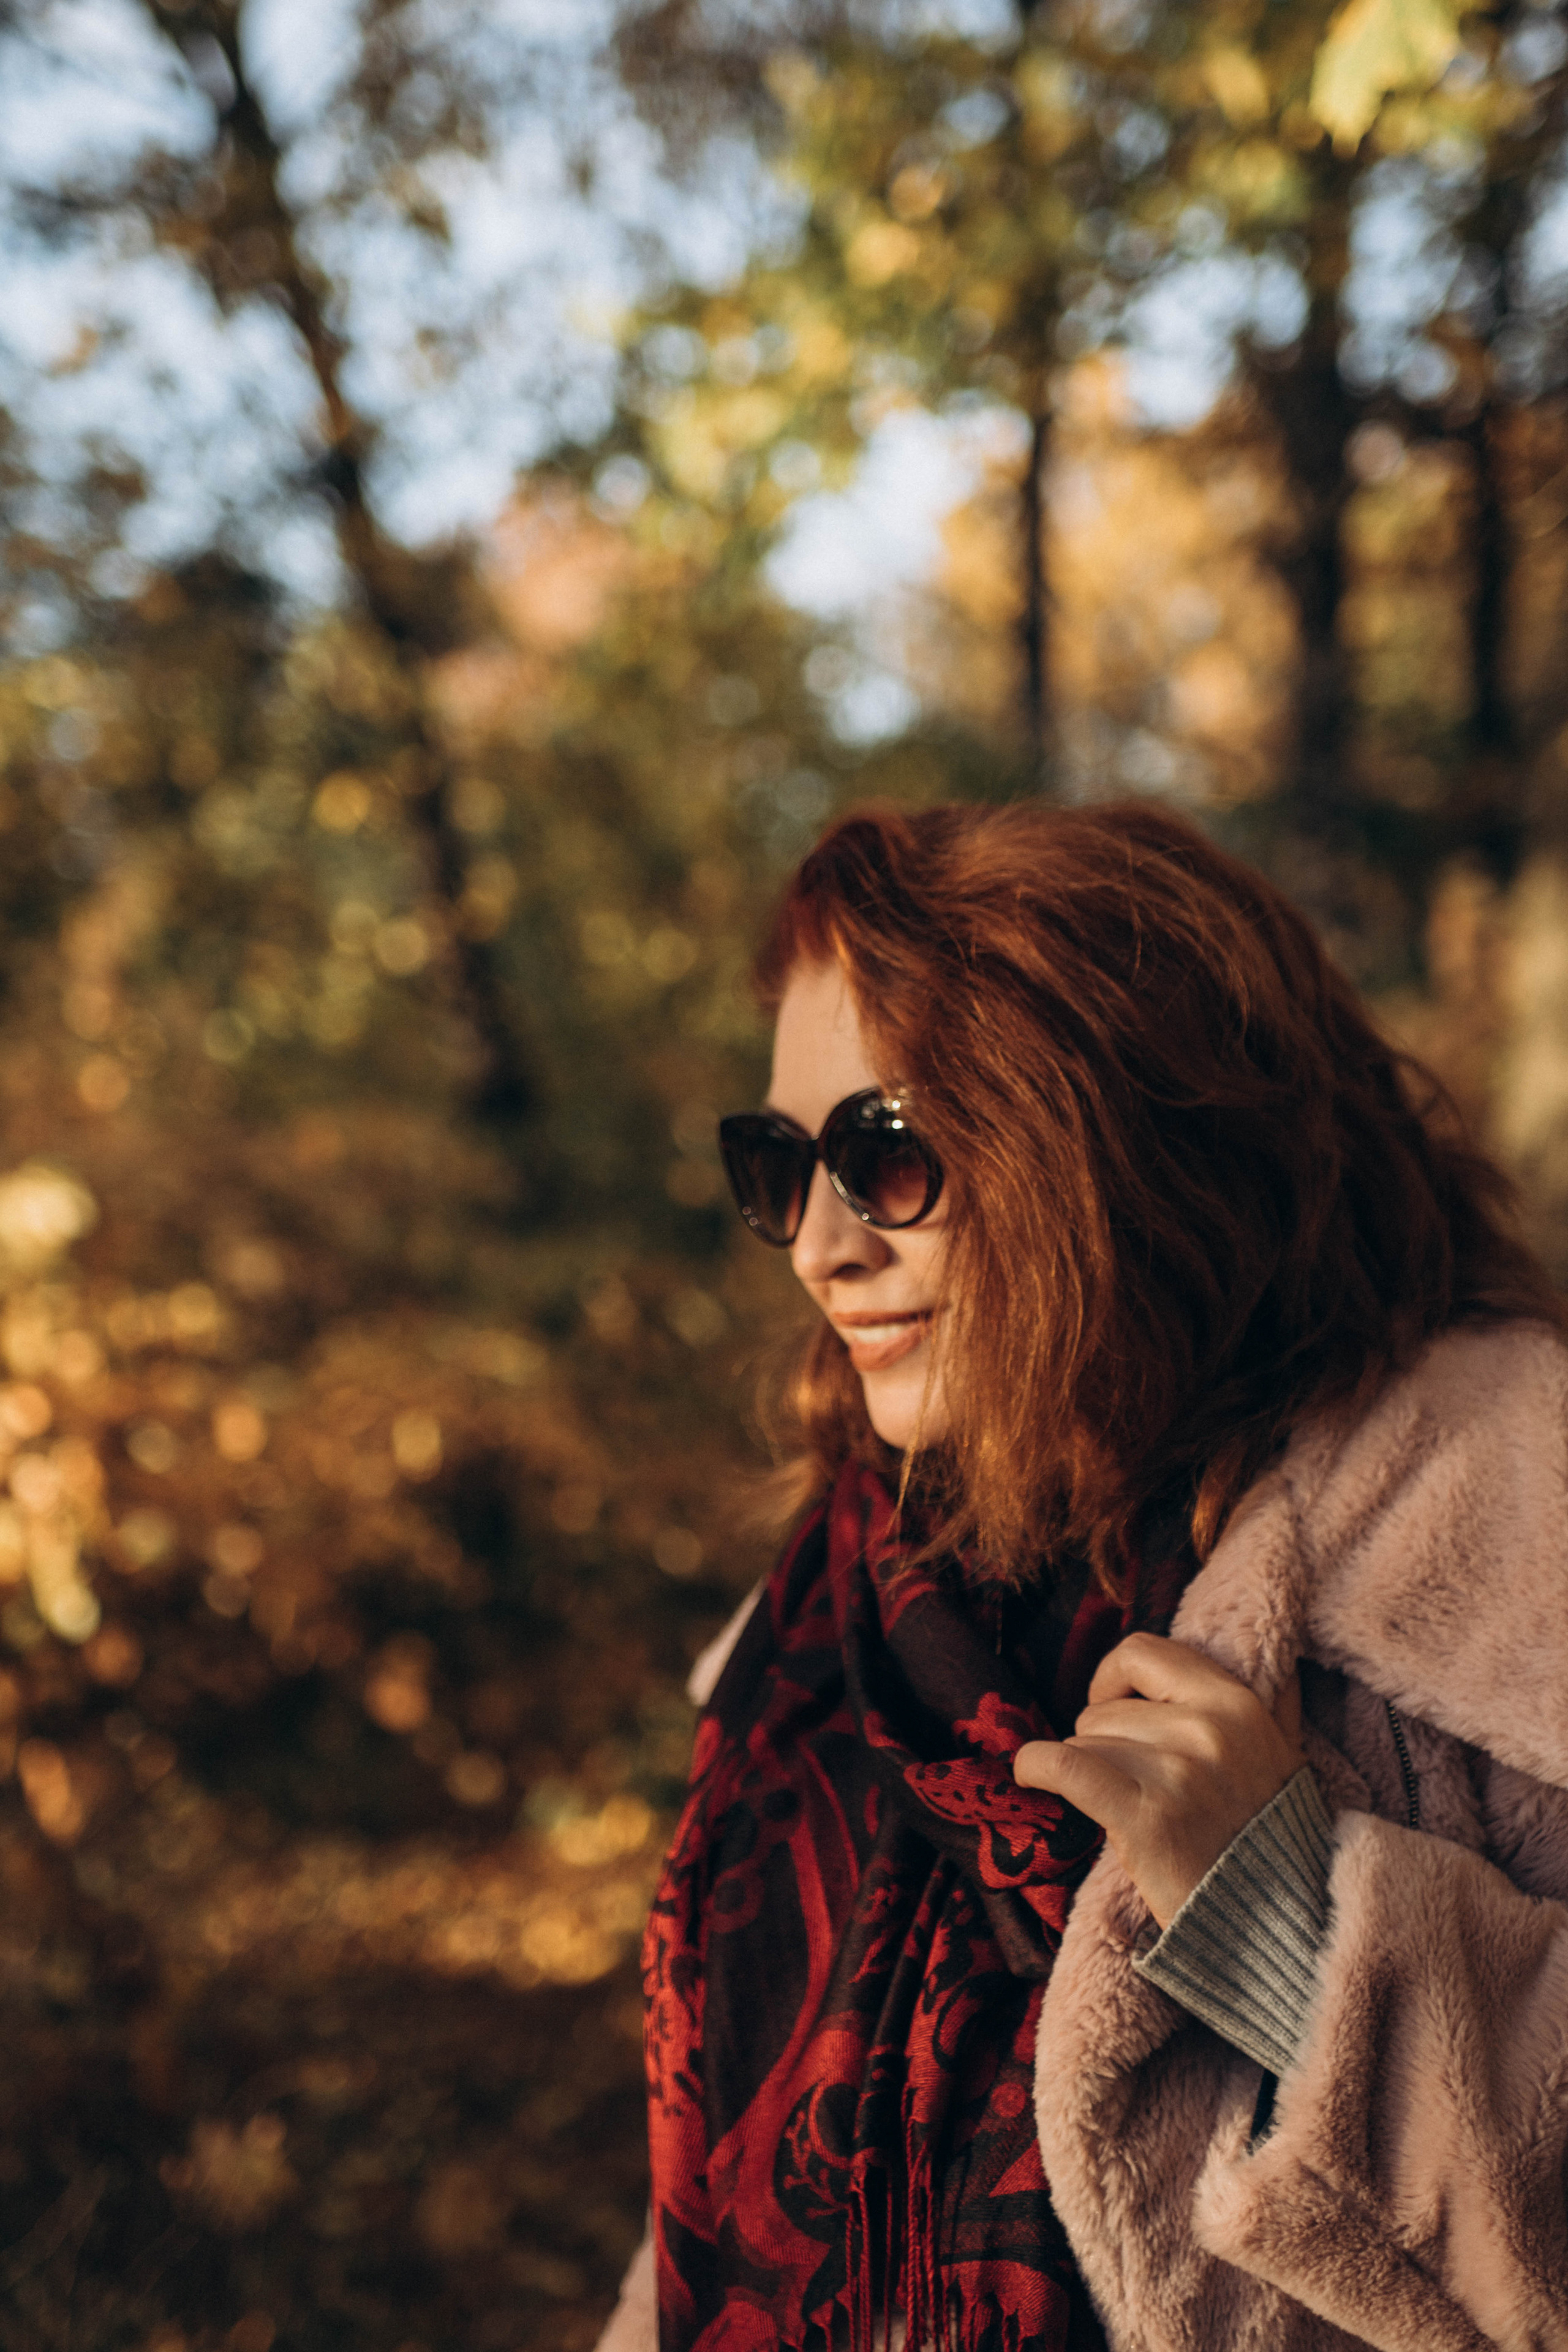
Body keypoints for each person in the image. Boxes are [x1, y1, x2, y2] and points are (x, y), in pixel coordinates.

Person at [596, 799, 1568, 2352]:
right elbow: (695, 2219)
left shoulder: (1505, 1532)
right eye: (778, 1163)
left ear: (1117, 1134)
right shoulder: (820, 1614)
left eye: (886, 1151)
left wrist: (1291, 1927)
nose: (815, 1249)